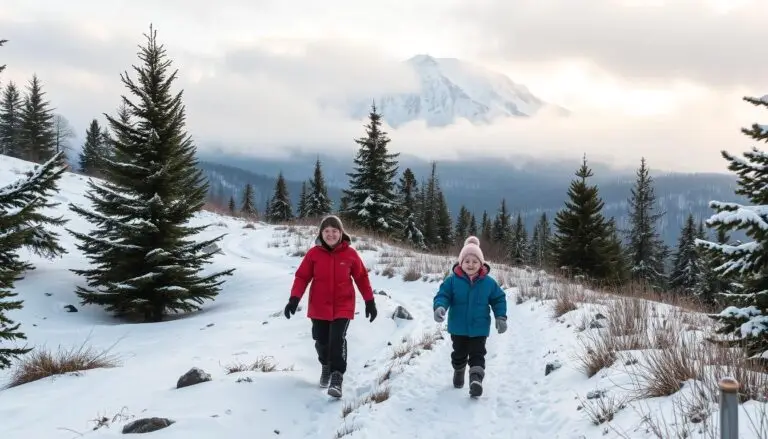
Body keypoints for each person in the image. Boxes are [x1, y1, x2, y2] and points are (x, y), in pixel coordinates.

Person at [284, 214, 377, 398]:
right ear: (321, 233)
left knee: (337, 340)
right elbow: (302, 277)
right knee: (321, 340)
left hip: (343, 305)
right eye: (327, 231)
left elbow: (361, 277)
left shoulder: (350, 254)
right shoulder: (313, 254)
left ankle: (336, 376)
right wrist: (294, 299)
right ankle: (325, 366)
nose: (331, 234)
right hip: (319, 307)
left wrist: (370, 301)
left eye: (335, 231)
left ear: (341, 233)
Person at [433, 236, 507, 397]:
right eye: (467, 261)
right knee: (459, 354)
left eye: (475, 261)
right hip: (458, 327)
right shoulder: (452, 281)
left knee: (478, 354)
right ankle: (459, 370)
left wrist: (501, 317)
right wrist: (440, 307)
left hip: (479, 328)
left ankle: (476, 380)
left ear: (481, 264)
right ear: (461, 263)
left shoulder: (488, 283)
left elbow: (498, 299)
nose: (471, 264)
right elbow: (443, 295)